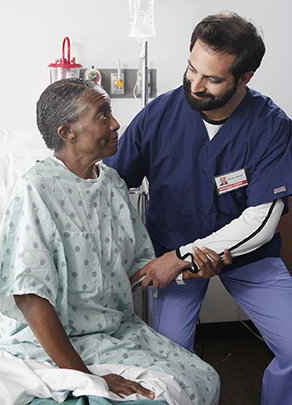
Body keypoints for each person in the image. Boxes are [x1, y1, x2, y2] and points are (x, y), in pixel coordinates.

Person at [0, 78, 221, 405]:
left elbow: (135, 266)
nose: (115, 124)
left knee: (204, 377)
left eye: (110, 113)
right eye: (102, 116)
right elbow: (30, 298)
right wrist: (86, 375)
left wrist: (187, 269)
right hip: (50, 339)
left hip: (113, 330)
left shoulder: (111, 182)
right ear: (67, 132)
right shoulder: (37, 189)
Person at [104, 12, 292, 405]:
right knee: (172, 364)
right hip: (171, 250)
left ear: (245, 78)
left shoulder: (271, 125)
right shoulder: (158, 115)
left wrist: (183, 257)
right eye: (192, 69)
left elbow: (262, 221)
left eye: (213, 78)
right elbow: (112, 185)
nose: (196, 84)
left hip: (246, 257)